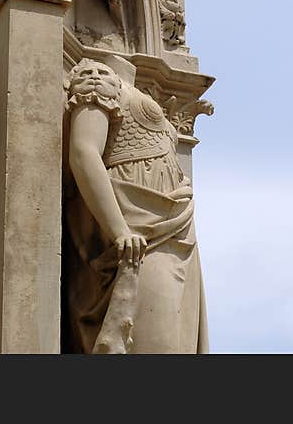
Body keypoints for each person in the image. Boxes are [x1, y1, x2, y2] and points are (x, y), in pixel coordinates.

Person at [64, 56, 208, 353]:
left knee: (176, 342)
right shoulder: (99, 73)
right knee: (153, 341)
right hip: (138, 233)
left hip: (174, 228)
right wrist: (119, 231)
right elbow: (83, 152)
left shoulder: (130, 86)